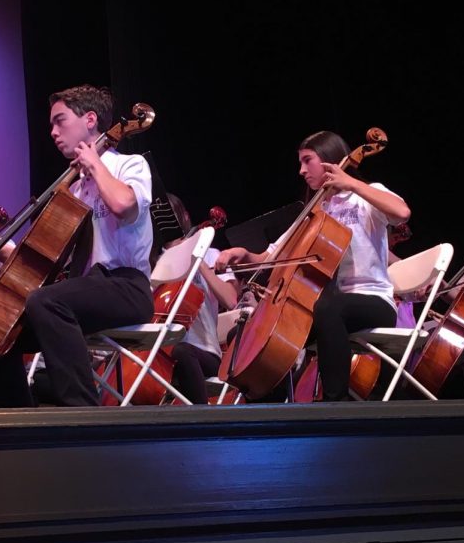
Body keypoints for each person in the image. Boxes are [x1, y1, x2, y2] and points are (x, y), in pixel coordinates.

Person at [0, 84, 155, 407]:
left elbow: (123, 205)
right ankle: (18, 425)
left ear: (90, 120)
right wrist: (2, 249)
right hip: (85, 290)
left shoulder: (128, 166)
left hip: (127, 287)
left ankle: (83, 416)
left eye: (60, 121)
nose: (53, 132)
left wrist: (94, 164)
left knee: (46, 303)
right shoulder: (74, 190)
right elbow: (54, 260)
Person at [216, 131, 411, 401]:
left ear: (330, 161)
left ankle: (336, 402)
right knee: (260, 334)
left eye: (308, 160)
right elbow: (271, 257)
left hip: (373, 300)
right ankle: (268, 408)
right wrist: (245, 254)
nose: (301, 170)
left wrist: (352, 184)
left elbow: (402, 213)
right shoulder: (313, 212)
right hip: (327, 308)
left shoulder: (365, 196)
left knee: (326, 307)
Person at [163, 195, 240, 404]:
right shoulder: (158, 261)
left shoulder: (211, 254)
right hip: (161, 352)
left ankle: (202, 418)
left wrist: (198, 259)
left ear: (184, 217)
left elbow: (231, 299)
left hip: (204, 354)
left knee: (182, 351)